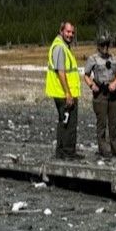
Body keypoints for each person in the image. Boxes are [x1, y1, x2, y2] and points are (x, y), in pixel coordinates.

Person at [45, 21, 83, 159]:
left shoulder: (61, 46)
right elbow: (61, 72)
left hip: (61, 92)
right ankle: (67, 152)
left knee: (64, 121)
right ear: (61, 31)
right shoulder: (60, 47)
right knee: (69, 123)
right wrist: (68, 93)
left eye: (72, 32)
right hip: (63, 93)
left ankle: (61, 151)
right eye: (68, 32)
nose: (70, 35)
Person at [83, 32, 116, 157]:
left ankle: (115, 147)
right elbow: (86, 75)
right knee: (102, 123)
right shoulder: (93, 59)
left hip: (113, 93)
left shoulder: (114, 58)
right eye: (102, 44)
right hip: (100, 92)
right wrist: (91, 85)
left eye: (107, 44)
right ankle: (103, 148)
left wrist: (115, 83)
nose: (105, 47)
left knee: (113, 122)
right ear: (98, 46)